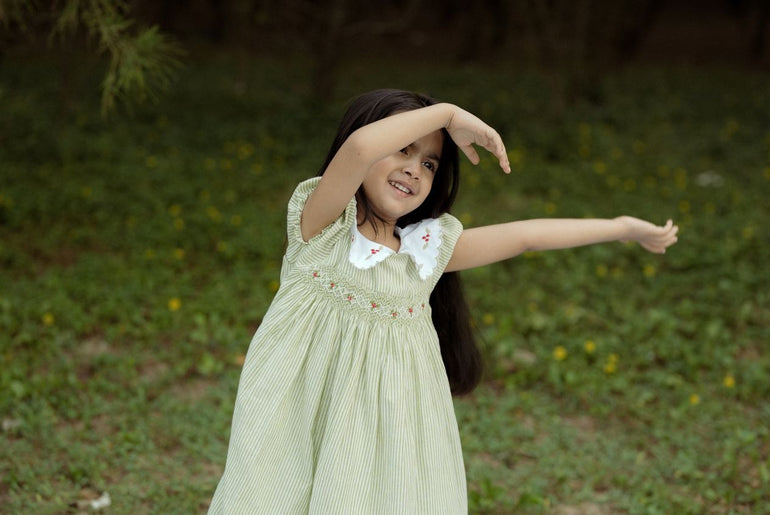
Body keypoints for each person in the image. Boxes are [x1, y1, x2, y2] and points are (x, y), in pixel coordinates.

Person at [206, 89, 678, 515]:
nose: (415, 168)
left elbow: (525, 236)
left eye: (430, 163)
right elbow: (359, 148)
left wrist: (621, 227)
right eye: (404, 150)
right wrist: (447, 114)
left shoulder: (424, 253)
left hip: (389, 434)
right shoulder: (322, 230)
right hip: (298, 419)